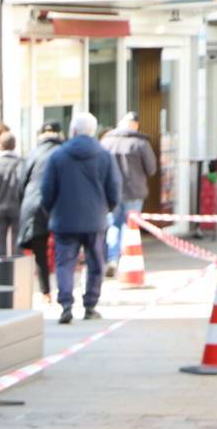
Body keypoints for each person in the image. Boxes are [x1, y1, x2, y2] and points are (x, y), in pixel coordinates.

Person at [39, 111, 120, 325]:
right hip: (95, 219)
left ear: (73, 131)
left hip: (64, 219)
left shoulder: (57, 156)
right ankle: (90, 305)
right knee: (96, 263)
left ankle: (66, 304)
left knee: (64, 263)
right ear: (93, 132)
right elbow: (114, 190)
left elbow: (47, 190)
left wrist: (51, 210)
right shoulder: (104, 155)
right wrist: (105, 209)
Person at [102, 113, 158, 268]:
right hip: (134, 191)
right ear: (135, 125)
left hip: (111, 191)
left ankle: (112, 259)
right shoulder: (139, 143)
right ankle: (126, 258)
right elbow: (151, 169)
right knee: (130, 226)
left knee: (113, 225)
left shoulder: (106, 142)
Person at [18, 121, 63, 303]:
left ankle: (46, 292)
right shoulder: (64, 151)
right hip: (60, 205)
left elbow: (22, 183)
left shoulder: (34, 153)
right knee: (64, 249)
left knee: (40, 251)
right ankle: (64, 292)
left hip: (34, 204)